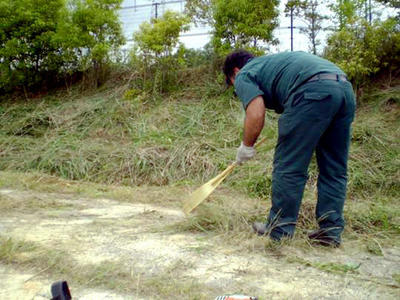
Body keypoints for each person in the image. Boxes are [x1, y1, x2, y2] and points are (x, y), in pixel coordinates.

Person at [223, 50, 356, 247]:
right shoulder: (273, 64)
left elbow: (255, 111)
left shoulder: (244, 74)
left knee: (289, 166)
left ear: (234, 72)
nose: (237, 90)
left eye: (233, 86)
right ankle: (330, 231)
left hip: (312, 92)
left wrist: (246, 146)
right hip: (344, 90)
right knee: (334, 168)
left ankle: (280, 230)